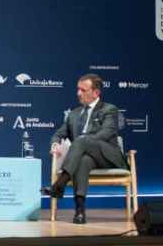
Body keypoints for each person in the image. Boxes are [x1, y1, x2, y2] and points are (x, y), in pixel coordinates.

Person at [41, 73, 127, 224]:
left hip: (107, 156)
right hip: (86, 158)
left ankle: (60, 184)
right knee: (83, 161)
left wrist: (83, 141)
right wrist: (55, 144)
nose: (78, 93)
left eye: (83, 90)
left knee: (81, 141)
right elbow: (58, 134)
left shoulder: (109, 109)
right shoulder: (73, 114)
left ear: (96, 93)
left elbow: (106, 133)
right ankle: (79, 212)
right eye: (78, 89)